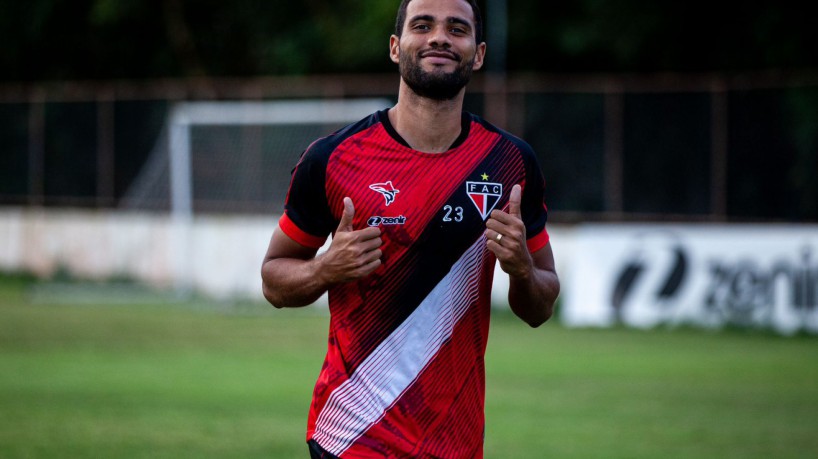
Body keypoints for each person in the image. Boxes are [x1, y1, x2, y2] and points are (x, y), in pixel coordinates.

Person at [261, 0, 560, 457]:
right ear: (396, 47)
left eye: (456, 28)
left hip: (454, 441)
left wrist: (520, 269)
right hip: (350, 435)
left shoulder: (510, 163)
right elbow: (273, 280)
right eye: (423, 25)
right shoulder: (333, 158)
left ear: (477, 53)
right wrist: (324, 270)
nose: (439, 37)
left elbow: (540, 305)